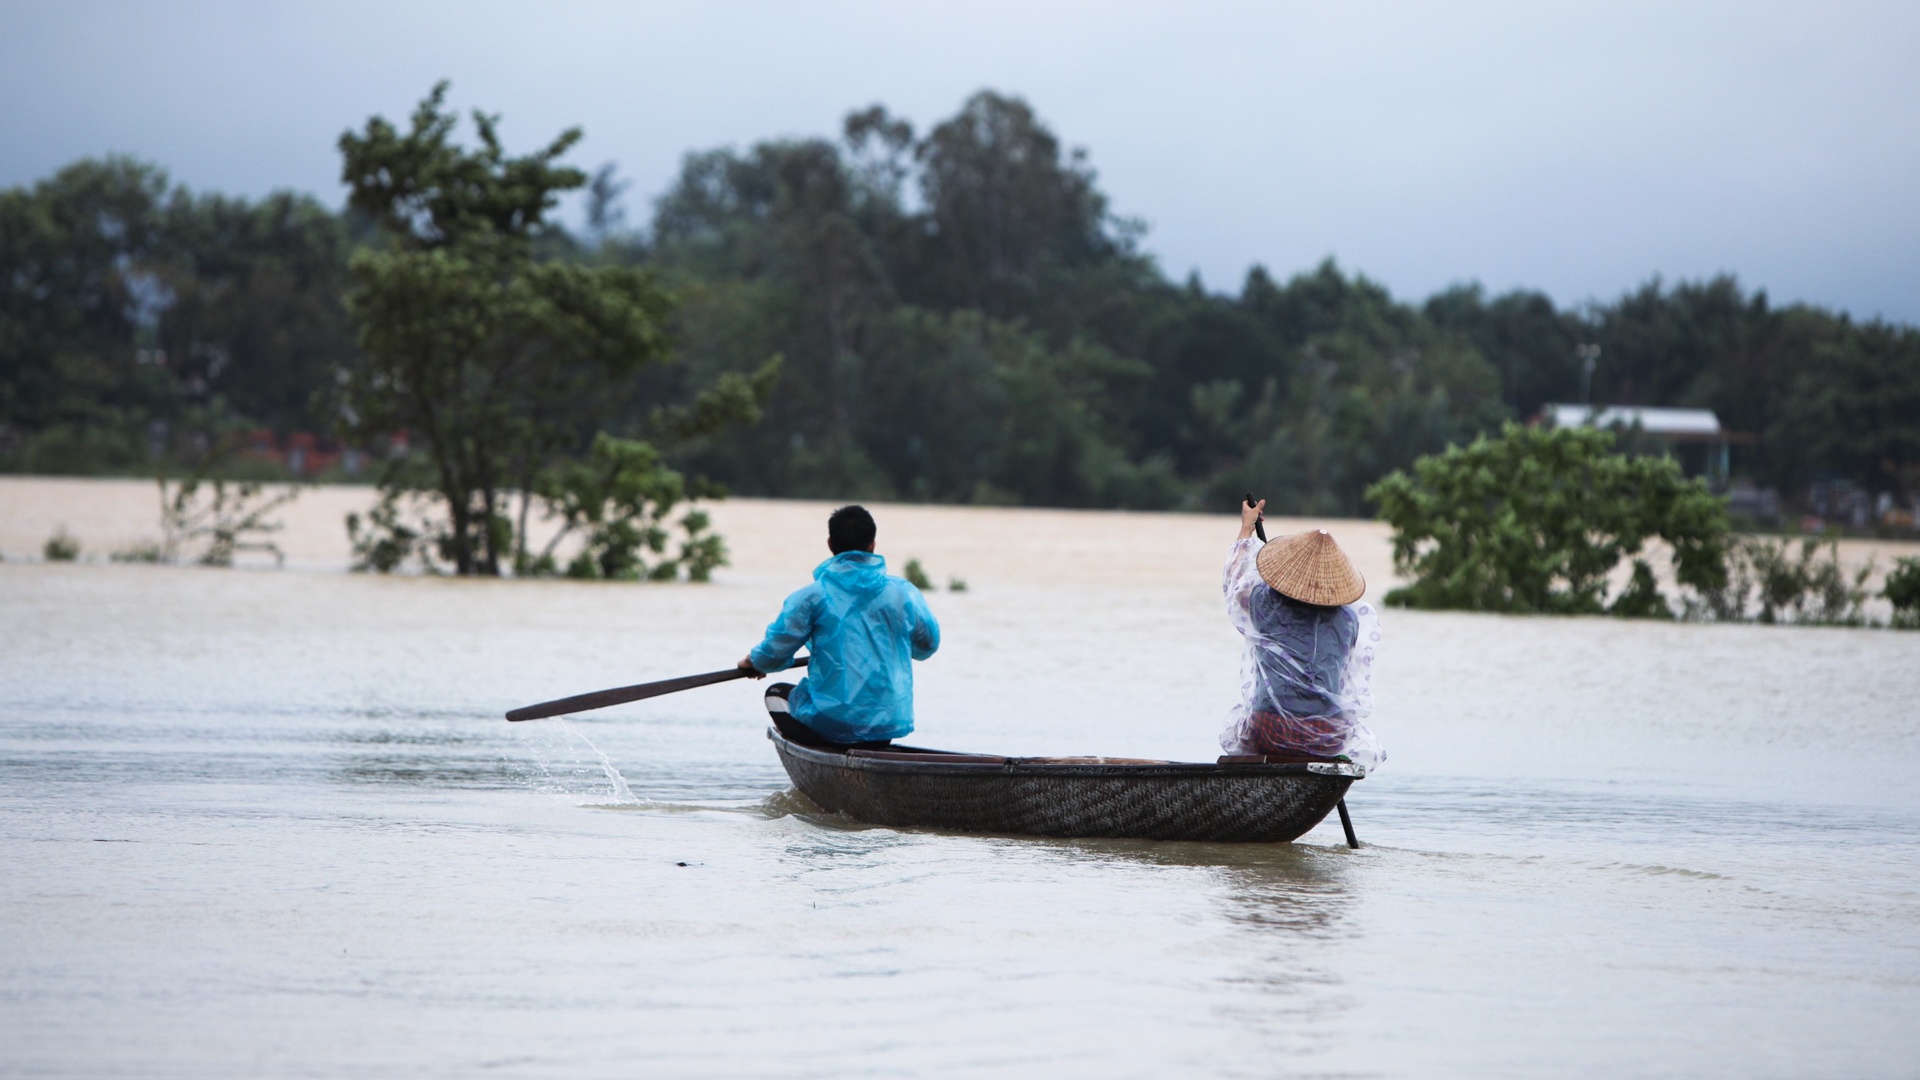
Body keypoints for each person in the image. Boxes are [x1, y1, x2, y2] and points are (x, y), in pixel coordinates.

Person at [738, 505, 941, 749]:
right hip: (887, 723)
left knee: (775, 693)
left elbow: (775, 652)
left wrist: (753, 662)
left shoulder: (810, 597)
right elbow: (927, 645)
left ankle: (824, 751)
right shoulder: (902, 593)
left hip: (833, 723)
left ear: (830, 544)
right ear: (873, 545)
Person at [1220, 498, 1382, 767]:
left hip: (1269, 731)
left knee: (1247, 723)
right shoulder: (1349, 620)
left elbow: (1235, 580)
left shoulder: (1265, 602)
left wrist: (1247, 528)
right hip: (1329, 735)